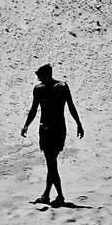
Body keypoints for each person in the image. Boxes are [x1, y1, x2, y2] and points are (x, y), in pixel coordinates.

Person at [20, 63, 84, 205]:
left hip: (52, 129)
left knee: (51, 163)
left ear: (45, 75)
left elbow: (70, 106)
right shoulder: (50, 88)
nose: (37, 77)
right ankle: (50, 195)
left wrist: (79, 124)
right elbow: (34, 109)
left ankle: (56, 196)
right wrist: (26, 125)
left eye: (39, 75)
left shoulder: (53, 88)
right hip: (53, 128)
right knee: (51, 163)